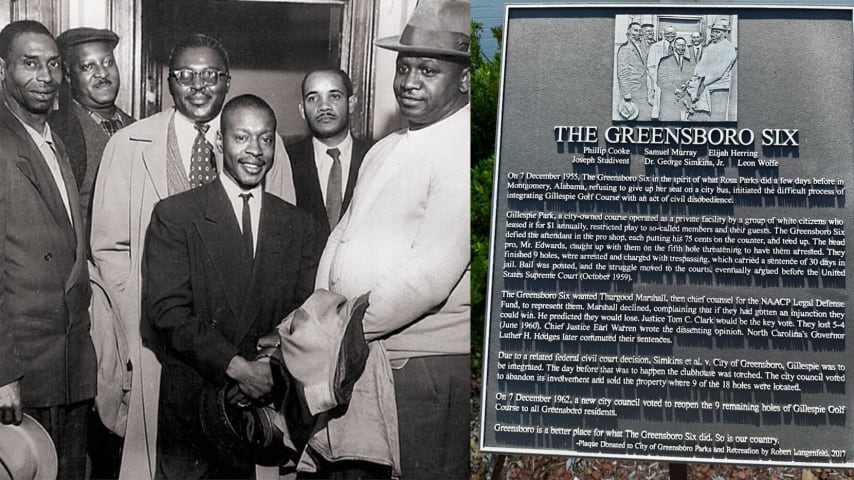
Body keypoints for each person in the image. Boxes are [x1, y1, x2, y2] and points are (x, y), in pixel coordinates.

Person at [89, 33, 296, 479]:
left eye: (210, 75)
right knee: (170, 460)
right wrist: (145, 321)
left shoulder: (259, 144)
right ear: (168, 82)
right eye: (185, 75)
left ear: (227, 81)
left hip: (244, 347)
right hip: (162, 341)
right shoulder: (127, 145)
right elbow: (108, 248)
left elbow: (284, 248)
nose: (198, 86)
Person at [315, 0, 470, 478]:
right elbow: (341, 237)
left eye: (428, 69)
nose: (409, 82)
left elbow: (428, 278)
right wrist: (318, 316)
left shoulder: (465, 149)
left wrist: (335, 335)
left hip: (421, 365)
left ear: (464, 79)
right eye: (404, 67)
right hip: (362, 350)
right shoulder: (384, 148)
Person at [141, 94, 318, 479]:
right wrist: (238, 368)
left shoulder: (297, 224)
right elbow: (167, 313)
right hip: (195, 413)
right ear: (220, 143)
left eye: (266, 139)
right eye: (242, 138)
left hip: (266, 416)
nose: (255, 151)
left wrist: (269, 370)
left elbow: (303, 313)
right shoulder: (175, 215)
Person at [0, 20, 96, 480]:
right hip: (23, 371)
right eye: (30, 64)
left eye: (53, 64)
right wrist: (2, 373)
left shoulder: (54, 136)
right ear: (3, 70)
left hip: (68, 365)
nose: (45, 76)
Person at [50, 27, 134, 237]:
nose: (103, 74)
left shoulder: (140, 128)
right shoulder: (57, 132)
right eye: (88, 66)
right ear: (68, 76)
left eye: (108, 62)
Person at [289, 69, 369, 245]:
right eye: (313, 98)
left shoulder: (375, 157)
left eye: (334, 96)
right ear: (302, 110)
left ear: (352, 103)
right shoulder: (286, 161)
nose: (324, 106)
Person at [690, 18, 737, 121]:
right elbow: (700, 68)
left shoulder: (729, 48)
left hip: (718, 90)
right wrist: (694, 82)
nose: (713, 34)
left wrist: (701, 85)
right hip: (702, 88)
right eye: (712, 31)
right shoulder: (709, 47)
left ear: (725, 33)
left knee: (715, 120)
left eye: (717, 32)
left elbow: (718, 73)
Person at [616, 22, 651, 121]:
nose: (639, 33)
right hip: (633, 91)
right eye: (636, 30)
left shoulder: (642, 47)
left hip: (643, 89)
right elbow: (622, 74)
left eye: (640, 31)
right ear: (629, 32)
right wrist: (627, 94)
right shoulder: (625, 49)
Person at [656, 37, 694, 121]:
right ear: (673, 46)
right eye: (679, 45)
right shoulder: (664, 61)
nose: (681, 48)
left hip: (685, 102)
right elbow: (661, 81)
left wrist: (686, 86)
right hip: (669, 101)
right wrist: (675, 90)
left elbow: (693, 79)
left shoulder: (689, 63)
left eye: (684, 46)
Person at [646, 25, 677, 119]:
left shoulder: (680, 46)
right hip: (659, 80)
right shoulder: (655, 47)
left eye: (672, 33)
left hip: (675, 81)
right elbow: (650, 66)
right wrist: (656, 81)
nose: (670, 35)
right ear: (663, 34)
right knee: (660, 105)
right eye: (667, 33)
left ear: (676, 35)